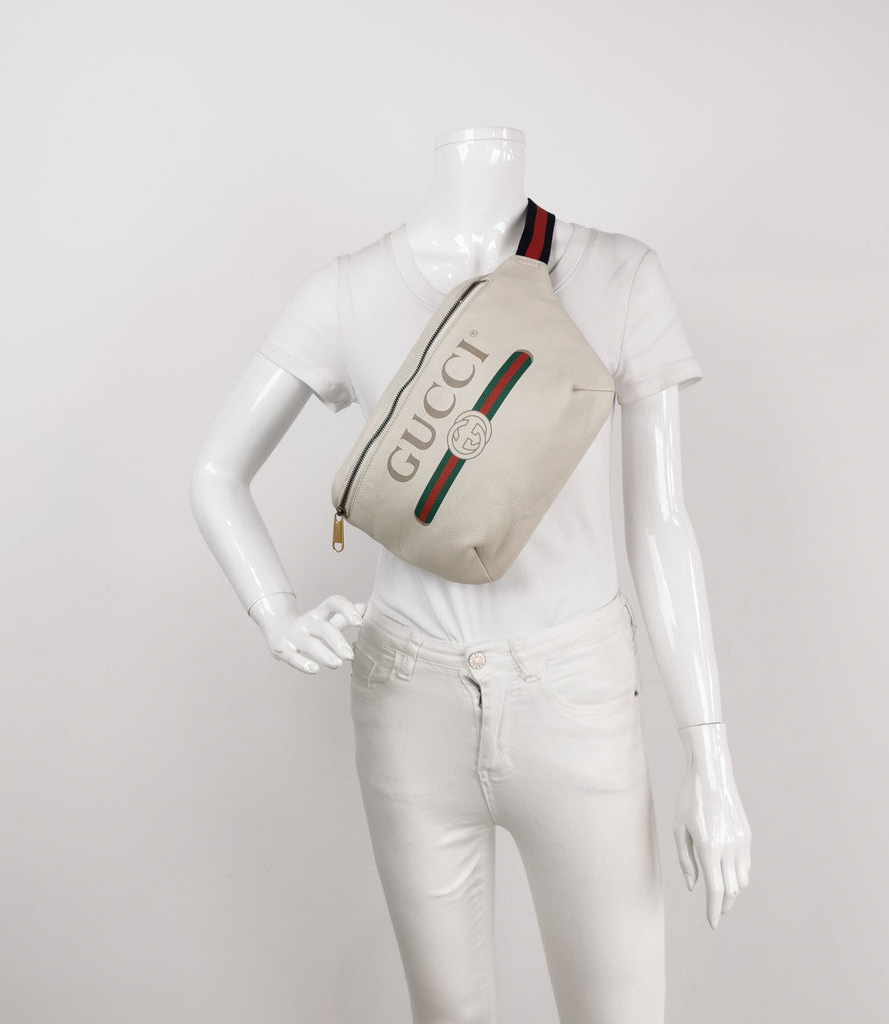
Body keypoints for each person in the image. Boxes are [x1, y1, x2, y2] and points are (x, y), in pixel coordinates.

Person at [190, 125, 752, 1024]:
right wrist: (276, 613)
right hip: (407, 696)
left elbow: (662, 523)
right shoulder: (349, 289)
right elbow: (216, 472)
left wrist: (710, 756)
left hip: (576, 697)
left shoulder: (618, 274)